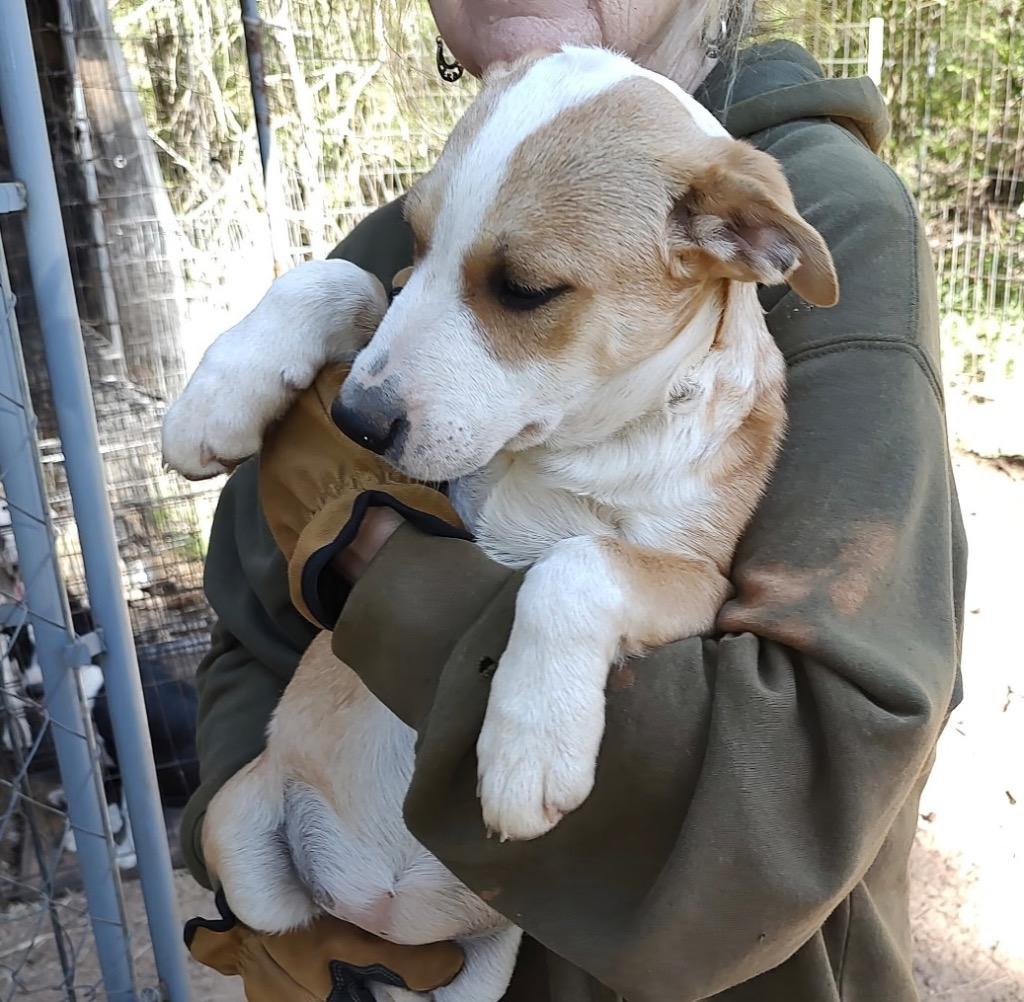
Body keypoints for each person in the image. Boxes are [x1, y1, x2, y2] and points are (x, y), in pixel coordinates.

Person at [182, 2, 966, 1000]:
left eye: (520, 289)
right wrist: (240, 850)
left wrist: (369, 545)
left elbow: (802, 782)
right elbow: (243, 628)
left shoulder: (830, 225)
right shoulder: (424, 212)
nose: (392, 359)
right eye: (428, 245)